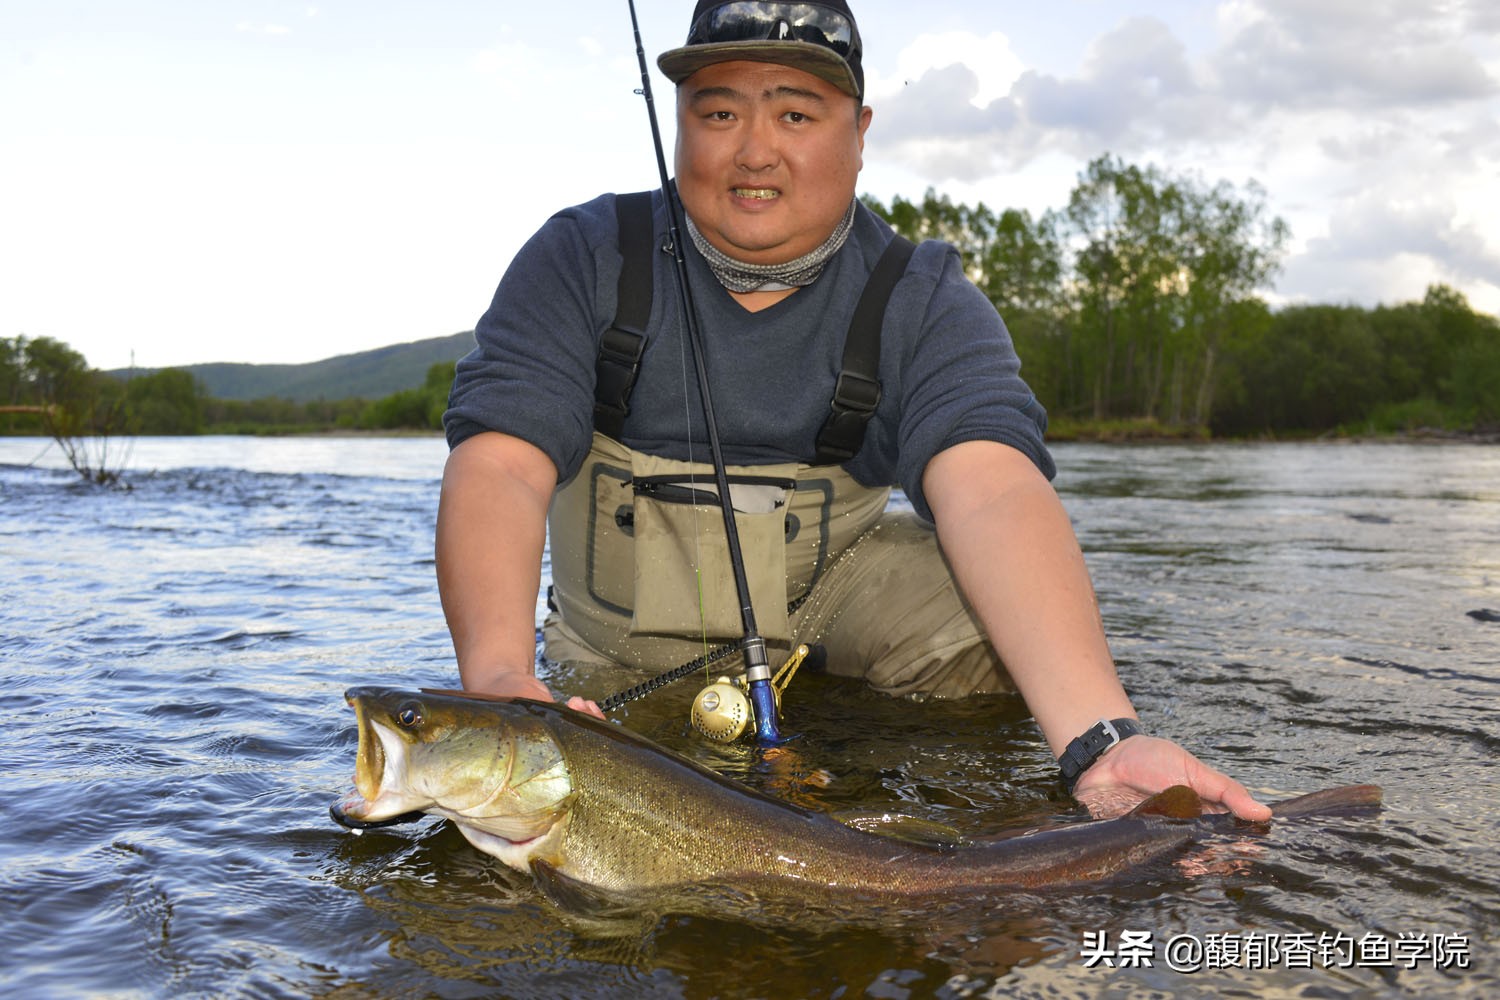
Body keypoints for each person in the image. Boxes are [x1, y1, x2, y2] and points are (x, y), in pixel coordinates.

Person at [436, 0, 1270, 822]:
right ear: (681, 122)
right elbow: (501, 462)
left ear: (859, 133)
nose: (754, 151)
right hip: (610, 641)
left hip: (825, 608)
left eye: (796, 114)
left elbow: (990, 490)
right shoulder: (581, 256)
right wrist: (505, 684)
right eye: (718, 111)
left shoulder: (921, 294)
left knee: (995, 642)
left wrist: (1102, 742)